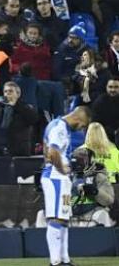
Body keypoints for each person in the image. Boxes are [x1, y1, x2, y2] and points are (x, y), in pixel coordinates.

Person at [41, 106, 92, 266]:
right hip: (56, 177)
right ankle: (55, 262)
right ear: (79, 118)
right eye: (83, 125)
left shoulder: (57, 126)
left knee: (63, 219)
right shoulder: (60, 128)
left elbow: (45, 148)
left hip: (59, 177)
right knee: (56, 218)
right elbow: (52, 152)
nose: (82, 128)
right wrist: (62, 169)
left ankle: (64, 259)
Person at [0, 81, 39, 156]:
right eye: (5, 91)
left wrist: (16, 105)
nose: (8, 93)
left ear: (18, 94)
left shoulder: (25, 107)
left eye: (11, 91)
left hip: (16, 153)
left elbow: (33, 119)